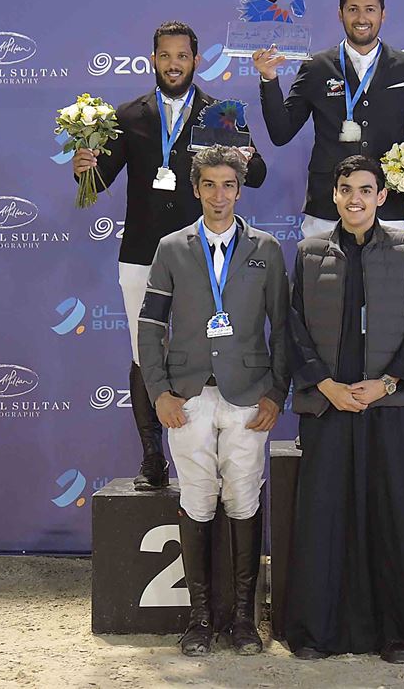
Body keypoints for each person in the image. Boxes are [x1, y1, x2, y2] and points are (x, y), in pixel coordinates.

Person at [73, 22, 268, 492]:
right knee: (145, 355)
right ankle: (152, 459)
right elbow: (98, 183)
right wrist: (84, 169)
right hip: (141, 254)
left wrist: (242, 150)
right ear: (153, 60)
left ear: (196, 60)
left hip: (204, 255)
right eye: (165, 56)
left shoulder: (218, 113)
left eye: (182, 56)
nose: (174, 64)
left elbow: (256, 174)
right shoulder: (127, 116)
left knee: (204, 349)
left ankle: (207, 463)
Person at [136, 146, 289, 656]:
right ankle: (201, 620)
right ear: (195, 188)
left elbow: (284, 329)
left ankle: (244, 622)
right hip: (187, 396)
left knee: (244, 498)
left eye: (228, 185)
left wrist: (276, 392)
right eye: (209, 185)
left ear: (239, 190)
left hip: (248, 397)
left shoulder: (266, 249)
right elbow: (152, 324)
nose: (219, 195)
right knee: (198, 499)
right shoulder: (171, 247)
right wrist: (159, 391)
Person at [284, 155, 404, 663]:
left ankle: (394, 632)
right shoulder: (307, 252)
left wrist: (386, 384)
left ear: (382, 197)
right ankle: (315, 633)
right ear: (334, 194)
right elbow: (293, 329)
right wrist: (326, 386)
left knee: (389, 515)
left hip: (386, 406)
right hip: (328, 406)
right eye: (346, 188)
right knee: (323, 517)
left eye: (366, 190)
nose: (355, 199)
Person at [252, 0, 404, 238]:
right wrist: (269, 79)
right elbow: (281, 132)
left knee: (387, 279)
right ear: (340, 14)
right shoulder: (316, 67)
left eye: (370, 9)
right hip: (326, 208)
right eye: (353, 9)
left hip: (388, 206)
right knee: (323, 278)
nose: (361, 17)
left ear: (382, 15)